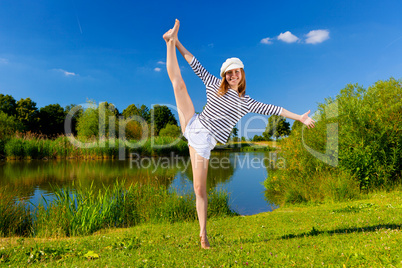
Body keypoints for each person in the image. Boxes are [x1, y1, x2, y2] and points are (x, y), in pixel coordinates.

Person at [163, 19, 315, 249]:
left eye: (237, 72)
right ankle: (169, 41)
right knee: (178, 84)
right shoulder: (213, 83)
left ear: (242, 74)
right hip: (193, 123)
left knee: (199, 189)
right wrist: (177, 44)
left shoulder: (246, 102)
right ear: (224, 75)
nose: (233, 75)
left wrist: (300, 117)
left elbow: (274, 109)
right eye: (229, 72)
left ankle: (203, 236)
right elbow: (193, 62)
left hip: (203, 144)